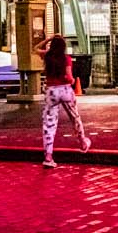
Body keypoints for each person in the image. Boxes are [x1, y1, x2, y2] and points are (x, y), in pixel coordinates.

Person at [34, 34, 91, 168]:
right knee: (74, 117)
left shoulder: (47, 56)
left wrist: (49, 39)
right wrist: (71, 81)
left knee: (49, 123)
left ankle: (48, 156)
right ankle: (82, 142)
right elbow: (69, 77)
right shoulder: (66, 59)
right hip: (65, 90)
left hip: (51, 91)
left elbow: (35, 48)